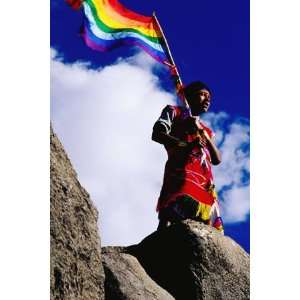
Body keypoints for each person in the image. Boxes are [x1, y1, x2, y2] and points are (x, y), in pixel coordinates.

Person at [152, 81, 224, 233]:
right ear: (189, 96)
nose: (207, 100)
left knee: (201, 230)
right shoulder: (174, 112)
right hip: (180, 172)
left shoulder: (206, 130)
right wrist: (186, 144)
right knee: (169, 219)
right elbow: (157, 134)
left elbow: (217, 159)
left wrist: (203, 134)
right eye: (202, 95)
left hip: (205, 183)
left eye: (209, 97)